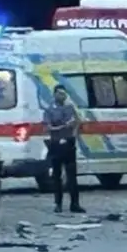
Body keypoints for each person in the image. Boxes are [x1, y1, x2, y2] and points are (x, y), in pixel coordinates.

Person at [43, 85, 83, 213]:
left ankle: (75, 204)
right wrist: (63, 127)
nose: (62, 96)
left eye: (64, 93)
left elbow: (77, 121)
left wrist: (73, 133)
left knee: (72, 176)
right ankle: (58, 204)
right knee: (57, 176)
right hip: (55, 145)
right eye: (60, 93)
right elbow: (48, 127)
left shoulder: (70, 108)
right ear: (54, 94)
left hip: (69, 144)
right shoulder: (50, 110)